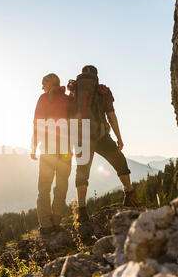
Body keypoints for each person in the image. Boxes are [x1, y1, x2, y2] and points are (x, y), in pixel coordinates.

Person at [68, 65, 140, 222]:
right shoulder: (102, 91)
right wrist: (119, 138)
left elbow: (69, 115)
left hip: (80, 134)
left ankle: (81, 210)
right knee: (119, 161)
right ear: (96, 76)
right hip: (100, 134)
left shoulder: (74, 90)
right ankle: (130, 195)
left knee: (82, 171)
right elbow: (111, 115)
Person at [31, 73, 72, 236]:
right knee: (61, 185)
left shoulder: (43, 99)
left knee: (44, 187)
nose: (42, 87)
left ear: (50, 83)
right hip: (66, 149)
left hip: (48, 148)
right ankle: (56, 222)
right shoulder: (69, 99)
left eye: (44, 83)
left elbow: (37, 123)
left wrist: (34, 146)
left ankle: (46, 225)